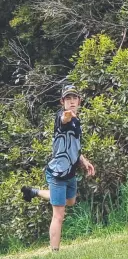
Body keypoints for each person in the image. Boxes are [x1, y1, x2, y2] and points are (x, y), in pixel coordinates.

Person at [21, 85, 95, 251]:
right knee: (59, 215)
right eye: (68, 99)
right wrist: (67, 115)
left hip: (70, 173)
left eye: (74, 98)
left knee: (70, 201)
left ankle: (34, 192)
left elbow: (73, 145)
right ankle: (55, 252)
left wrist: (83, 160)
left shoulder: (77, 120)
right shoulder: (61, 117)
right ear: (62, 102)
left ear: (79, 100)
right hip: (57, 174)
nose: (71, 101)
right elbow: (64, 119)